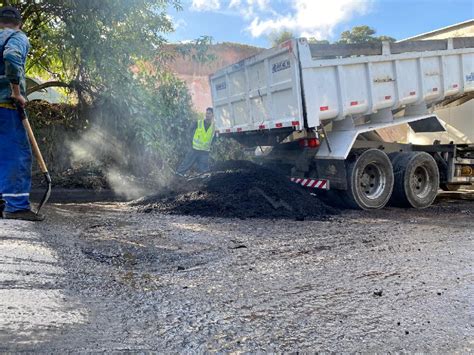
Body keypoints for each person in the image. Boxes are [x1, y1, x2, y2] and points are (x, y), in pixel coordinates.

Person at [0, 6, 42, 221]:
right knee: (16, 153)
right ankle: (16, 206)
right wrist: (16, 92)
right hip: (5, 105)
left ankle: (3, 201)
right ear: (21, 23)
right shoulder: (16, 37)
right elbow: (12, 56)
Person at [176, 107, 215, 177]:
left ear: (213, 115)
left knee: (204, 170)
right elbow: (189, 132)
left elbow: (214, 138)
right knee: (186, 164)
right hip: (195, 149)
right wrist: (190, 142)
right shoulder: (198, 123)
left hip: (204, 151)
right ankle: (178, 176)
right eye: (206, 113)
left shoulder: (214, 127)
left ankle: (202, 183)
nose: (207, 115)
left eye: (209, 113)